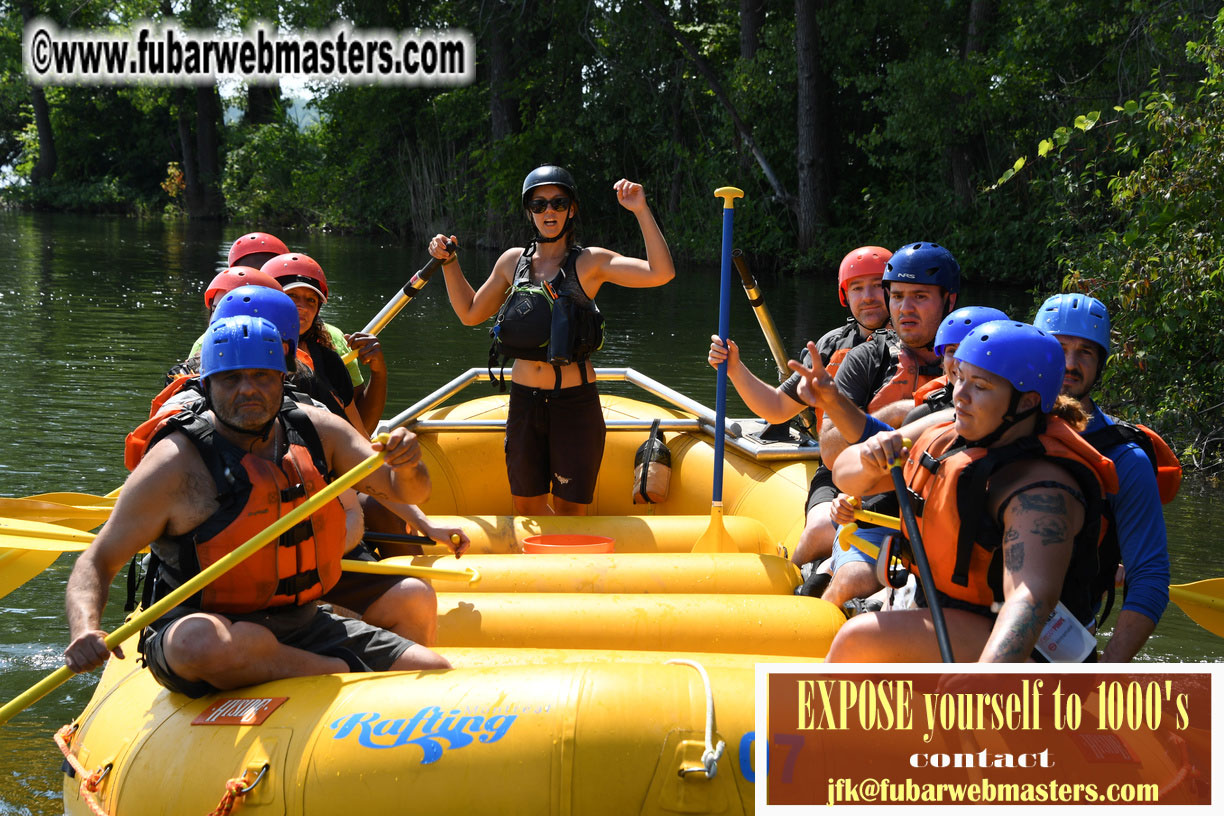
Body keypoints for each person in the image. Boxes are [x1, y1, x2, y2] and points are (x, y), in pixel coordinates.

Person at [65, 316, 451, 696]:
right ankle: (334, 672)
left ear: (283, 380)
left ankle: (303, 667)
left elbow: (409, 492)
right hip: (203, 628)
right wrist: (86, 627)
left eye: (262, 376)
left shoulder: (319, 429)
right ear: (207, 384)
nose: (248, 390)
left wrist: (408, 464)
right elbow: (97, 560)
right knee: (198, 641)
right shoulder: (174, 464)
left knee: (434, 671)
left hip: (301, 621)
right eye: (231, 378)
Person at [820, 320, 1117, 662]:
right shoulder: (947, 433)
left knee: (858, 638)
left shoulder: (1043, 492)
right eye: (959, 377)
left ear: (1025, 403)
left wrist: (982, 682)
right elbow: (844, 475)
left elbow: (1029, 601)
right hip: (950, 613)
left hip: (1026, 651)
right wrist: (873, 459)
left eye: (980, 385)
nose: (959, 394)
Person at [427, 165, 675, 515]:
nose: (549, 211)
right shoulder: (512, 262)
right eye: (539, 204)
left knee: (570, 511)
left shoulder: (589, 263)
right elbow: (469, 312)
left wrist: (640, 210)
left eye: (559, 203)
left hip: (574, 405)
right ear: (529, 210)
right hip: (524, 403)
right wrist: (449, 262)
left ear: (571, 209)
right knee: (526, 508)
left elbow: (660, 273)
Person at [707, 246, 891, 564]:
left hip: (890, 471)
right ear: (845, 296)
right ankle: (797, 587)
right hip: (834, 472)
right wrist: (735, 366)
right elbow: (776, 408)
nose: (869, 296)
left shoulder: (915, 349)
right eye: (858, 288)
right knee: (820, 529)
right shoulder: (831, 346)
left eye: (877, 285)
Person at [801, 242, 958, 603]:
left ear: (948, 301)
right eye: (898, 296)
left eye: (920, 296)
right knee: (849, 576)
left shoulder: (973, 358)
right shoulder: (867, 356)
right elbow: (833, 454)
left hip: (939, 506)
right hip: (875, 498)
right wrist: (901, 412)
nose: (905, 308)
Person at [1034, 293, 1171, 661]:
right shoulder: (989, 426)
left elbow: (1151, 580)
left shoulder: (1125, 458)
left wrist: (1104, 675)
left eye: (1086, 353)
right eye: (1058, 348)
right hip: (972, 620)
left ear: (1101, 365)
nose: (1069, 363)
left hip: (1061, 636)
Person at [225, 232, 378, 419]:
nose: (302, 308)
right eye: (292, 297)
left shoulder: (329, 357)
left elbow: (358, 431)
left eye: (311, 300)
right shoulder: (222, 345)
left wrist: (379, 372)